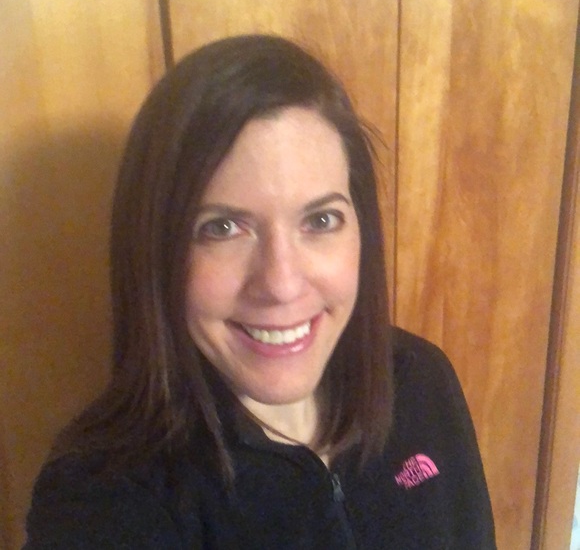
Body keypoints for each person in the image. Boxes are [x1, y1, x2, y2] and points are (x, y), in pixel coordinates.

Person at [24, 35, 496, 549]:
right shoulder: (102, 495)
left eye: (321, 220)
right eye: (222, 228)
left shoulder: (419, 379)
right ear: (155, 252)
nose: (281, 284)